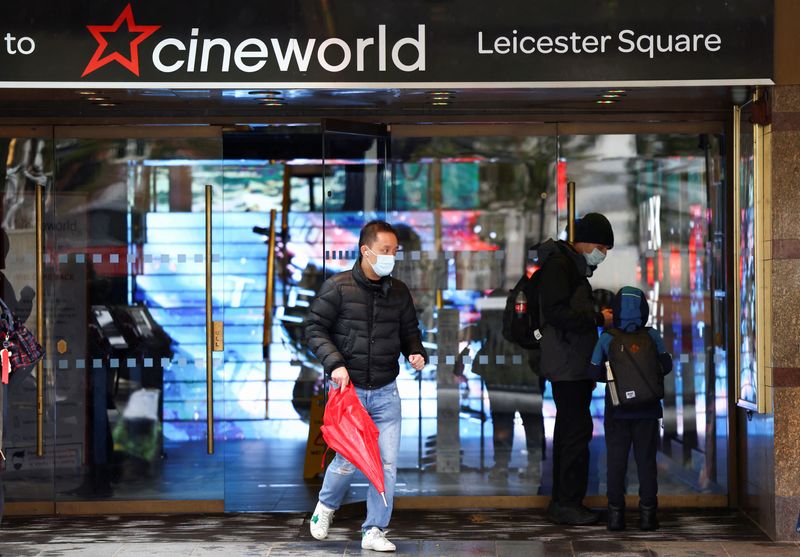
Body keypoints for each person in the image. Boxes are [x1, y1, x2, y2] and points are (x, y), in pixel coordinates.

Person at [305, 220, 427, 552]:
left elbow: (409, 332)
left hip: (386, 392)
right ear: (366, 251)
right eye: (385, 250)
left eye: (394, 251)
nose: (390, 257)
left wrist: (416, 352)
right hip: (350, 393)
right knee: (347, 460)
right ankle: (325, 508)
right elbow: (314, 328)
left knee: (386, 465)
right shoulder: (338, 287)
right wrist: (336, 363)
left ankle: (374, 529)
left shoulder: (398, 291)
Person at [537, 213, 614, 525]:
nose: (603, 254)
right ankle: (567, 504)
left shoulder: (570, 266)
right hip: (567, 364)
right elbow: (557, 313)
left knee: (572, 431)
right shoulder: (561, 266)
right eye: (600, 246)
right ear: (582, 242)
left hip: (571, 362)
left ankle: (565, 502)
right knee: (574, 432)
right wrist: (598, 320)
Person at [589, 286, 673, 531]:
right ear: (643, 309)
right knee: (646, 462)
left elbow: (593, 371)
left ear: (616, 310)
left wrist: (618, 377)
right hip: (647, 411)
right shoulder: (653, 336)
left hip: (617, 410)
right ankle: (648, 516)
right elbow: (666, 366)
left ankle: (616, 517)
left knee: (616, 462)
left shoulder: (607, 338)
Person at [472, 289, 543, 483]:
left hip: (498, 371)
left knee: (502, 420)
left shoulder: (493, 301)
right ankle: (534, 465)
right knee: (532, 420)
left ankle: (501, 466)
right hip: (527, 370)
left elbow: (480, 332)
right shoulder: (529, 302)